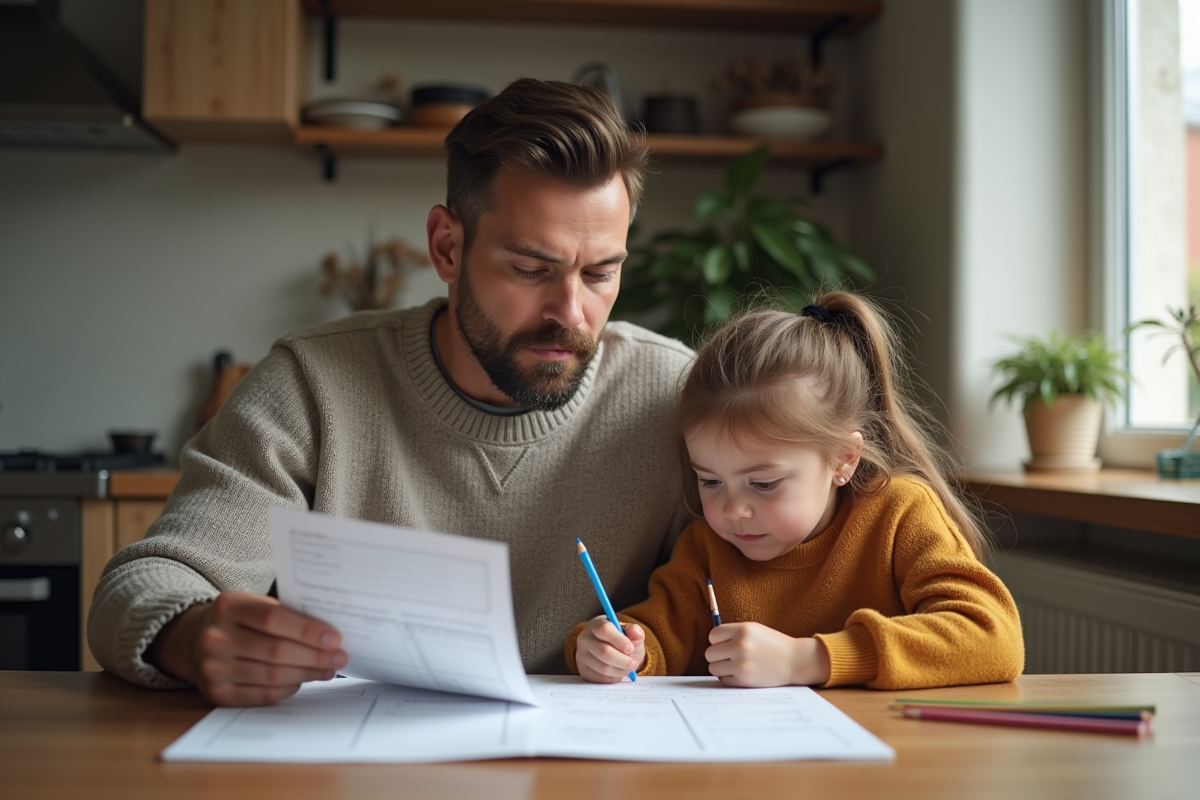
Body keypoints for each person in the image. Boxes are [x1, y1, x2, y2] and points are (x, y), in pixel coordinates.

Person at [87, 78, 694, 707]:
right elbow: (139, 585)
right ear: (447, 246)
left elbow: (782, 583)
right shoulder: (312, 385)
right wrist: (190, 636)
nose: (570, 311)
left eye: (600, 273)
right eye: (530, 269)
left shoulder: (672, 398)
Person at [567, 291, 1024, 690]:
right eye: (710, 480)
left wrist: (805, 659)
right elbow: (655, 637)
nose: (732, 510)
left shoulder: (899, 513)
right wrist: (616, 650)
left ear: (844, 459)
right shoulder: (707, 547)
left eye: (763, 483)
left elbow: (993, 637)